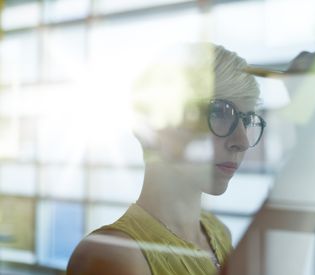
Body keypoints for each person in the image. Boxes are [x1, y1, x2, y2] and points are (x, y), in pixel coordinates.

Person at [66, 43, 266, 275]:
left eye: (247, 119)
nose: (241, 141)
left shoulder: (219, 232)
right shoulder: (113, 256)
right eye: (219, 112)